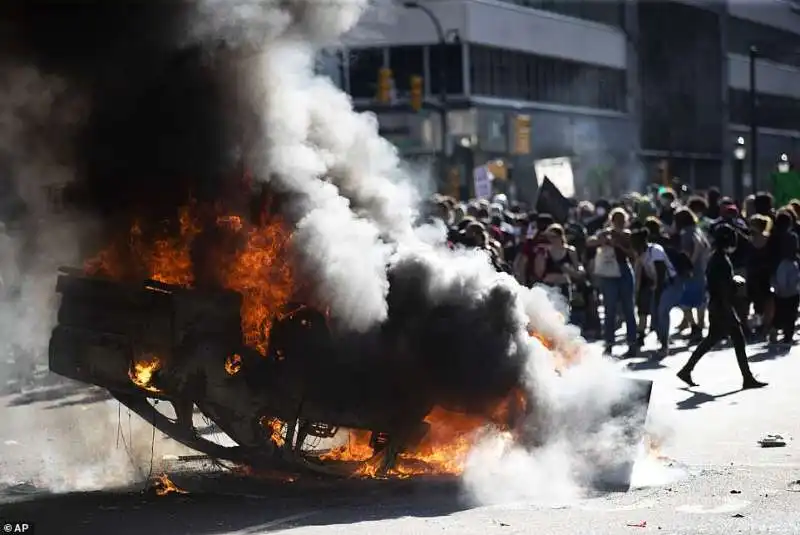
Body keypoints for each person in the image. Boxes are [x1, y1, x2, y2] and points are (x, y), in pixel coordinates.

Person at [676, 224, 767, 389]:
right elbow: (722, 287)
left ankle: (686, 370)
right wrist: (732, 294)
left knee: (711, 340)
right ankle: (747, 378)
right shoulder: (721, 260)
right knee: (737, 338)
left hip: (716, 304)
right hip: (722, 305)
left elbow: (718, 282)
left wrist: (732, 282)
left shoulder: (716, 257)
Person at [587, 207, 638, 356]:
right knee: (610, 310)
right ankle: (609, 343)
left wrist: (618, 244)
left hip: (623, 270)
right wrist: (601, 240)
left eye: (622, 220)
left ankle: (632, 343)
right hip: (608, 273)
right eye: (616, 220)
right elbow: (590, 242)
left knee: (628, 309)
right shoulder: (606, 233)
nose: (619, 223)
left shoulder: (627, 235)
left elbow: (633, 255)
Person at [631, 228, 684, 357]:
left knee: (662, 311)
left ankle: (664, 346)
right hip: (658, 286)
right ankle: (663, 340)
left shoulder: (655, 250)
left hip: (670, 284)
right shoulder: (641, 254)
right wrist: (636, 294)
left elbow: (661, 273)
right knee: (655, 315)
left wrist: (658, 295)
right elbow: (640, 275)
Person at [770, 232, 800, 346]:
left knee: (781, 313)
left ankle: (778, 333)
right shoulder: (792, 262)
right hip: (791, 292)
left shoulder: (781, 261)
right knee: (790, 315)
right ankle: (787, 337)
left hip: (783, 293)